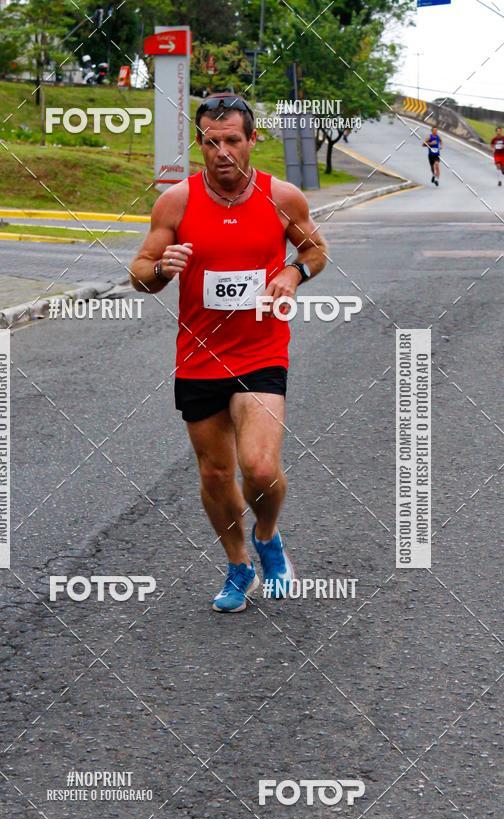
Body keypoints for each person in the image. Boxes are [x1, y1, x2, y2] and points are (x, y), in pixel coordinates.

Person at [130, 93, 328, 613]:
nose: (222, 152)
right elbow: (140, 272)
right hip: (198, 357)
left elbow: (315, 250)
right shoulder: (177, 201)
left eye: (232, 140)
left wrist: (291, 272)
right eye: (211, 142)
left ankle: (267, 535)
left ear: (251, 140)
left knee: (259, 468)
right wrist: (160, 269)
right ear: (201, 144)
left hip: (262, 351)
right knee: (216, 475)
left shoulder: (282, 197)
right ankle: (239, 564)